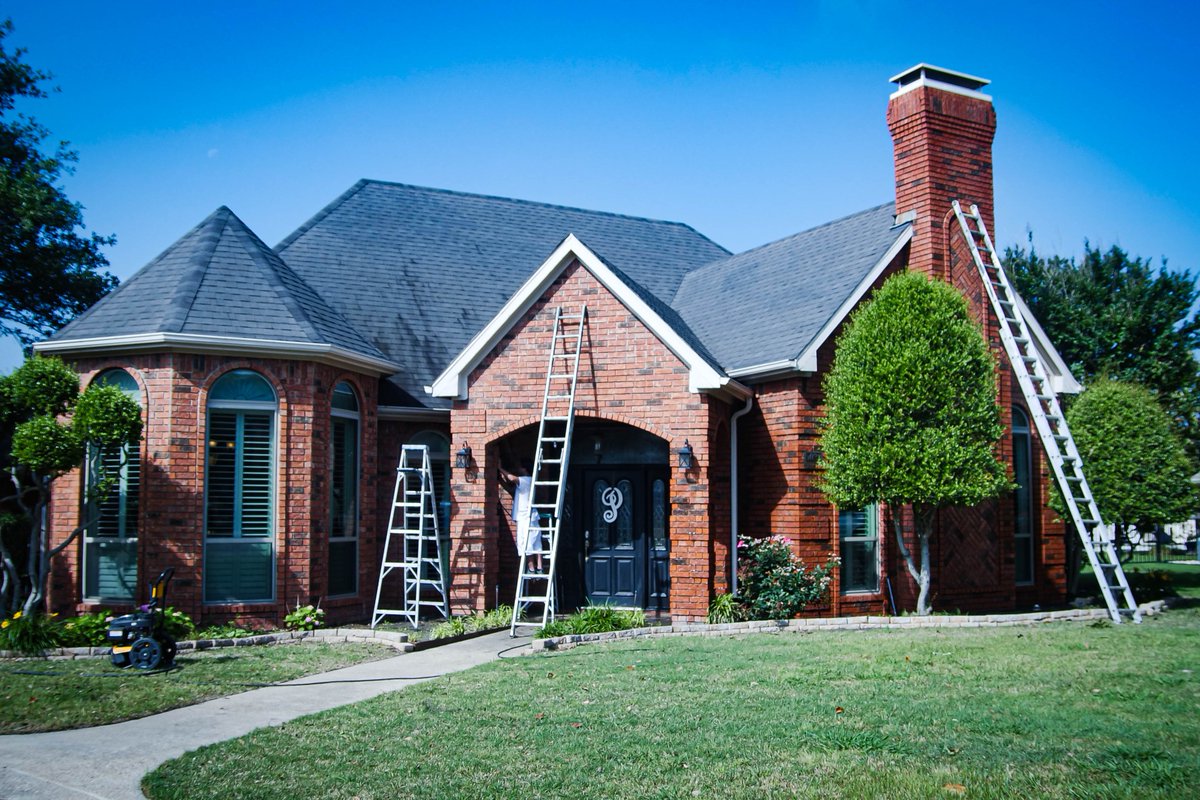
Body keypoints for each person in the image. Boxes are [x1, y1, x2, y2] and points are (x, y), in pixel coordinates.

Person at [499, 458, 544, 574]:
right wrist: (500, 480)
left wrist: (499, 468)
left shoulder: (526, 480)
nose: (518, 469)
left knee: (526, 543)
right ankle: (539, 567)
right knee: (536, 542)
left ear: (524, 469)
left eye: (520, 467)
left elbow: (512, 478)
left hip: (525, 517)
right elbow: (511, 489)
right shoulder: (529, 481)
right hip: (531, 516)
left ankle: (531, 568)